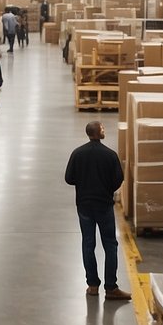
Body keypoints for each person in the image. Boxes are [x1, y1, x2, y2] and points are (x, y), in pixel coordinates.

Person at [64, 121, 131, 300]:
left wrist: (83, 182)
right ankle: (111, 288)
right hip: (104, 205)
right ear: (97, 133)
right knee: (110, 244)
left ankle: (92, 285)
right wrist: (106, 188)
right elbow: (119, 179)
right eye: (103, 128)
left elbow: (69, 178)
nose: (104, 130)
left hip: (84, 205)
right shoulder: (110, 155)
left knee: (88, 243)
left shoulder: (77, 153)